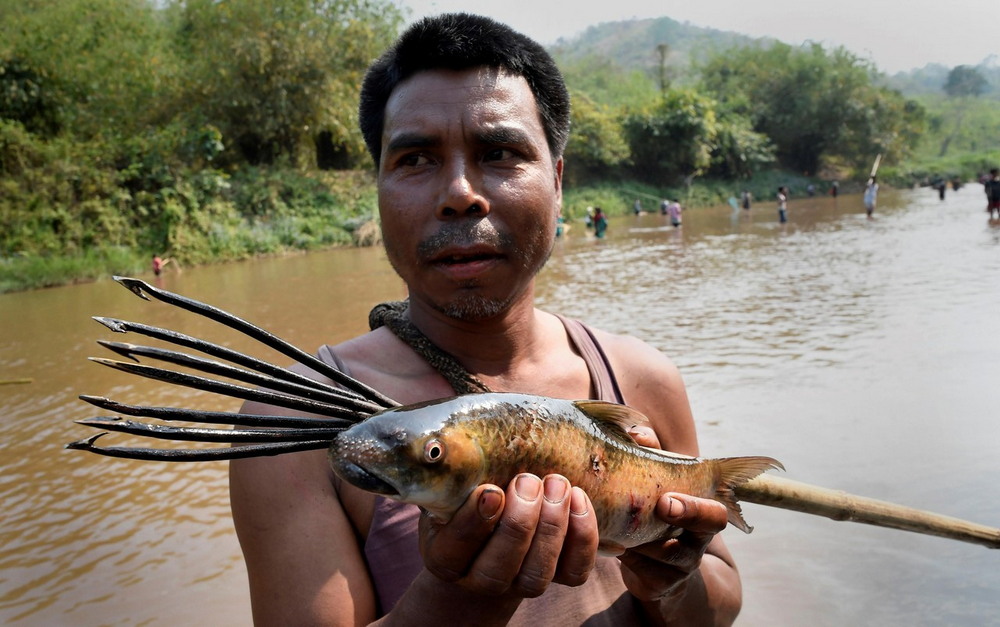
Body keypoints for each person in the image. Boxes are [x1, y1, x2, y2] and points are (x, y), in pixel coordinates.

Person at [230, 13, 741, 627]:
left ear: (556, 181)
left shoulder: (642, 379)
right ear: (380, 189)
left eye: (499, 152)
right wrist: (457, 601)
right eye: (415, 159)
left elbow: (719, 602)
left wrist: (669, 581)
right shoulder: (294, 421)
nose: (459, 192)